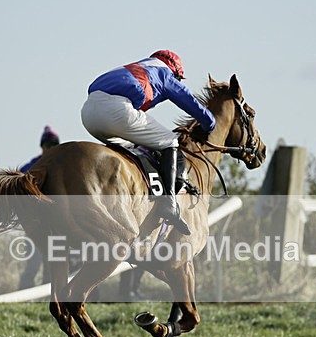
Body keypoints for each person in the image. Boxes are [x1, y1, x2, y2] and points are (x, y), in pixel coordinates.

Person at [81, 50, 216, 235]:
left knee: (132, 148)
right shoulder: (164, 73)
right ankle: (169, 203)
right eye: (178, 77)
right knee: (170, 141)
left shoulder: (138, 66)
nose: (177, 80)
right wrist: (209, 122)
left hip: (88, 114)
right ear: (174, 69)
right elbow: (185, 96)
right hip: (116, 110)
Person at [18, 126, 60, 288]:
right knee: (33, 263)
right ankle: (24, 292)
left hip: (55, 223)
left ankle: (47, 294)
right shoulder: (31, 167)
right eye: (48, 145)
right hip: (35, 222)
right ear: (42, 146)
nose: (51, 148)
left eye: (54, 145)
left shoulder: (61, 166)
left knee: (53, 264)